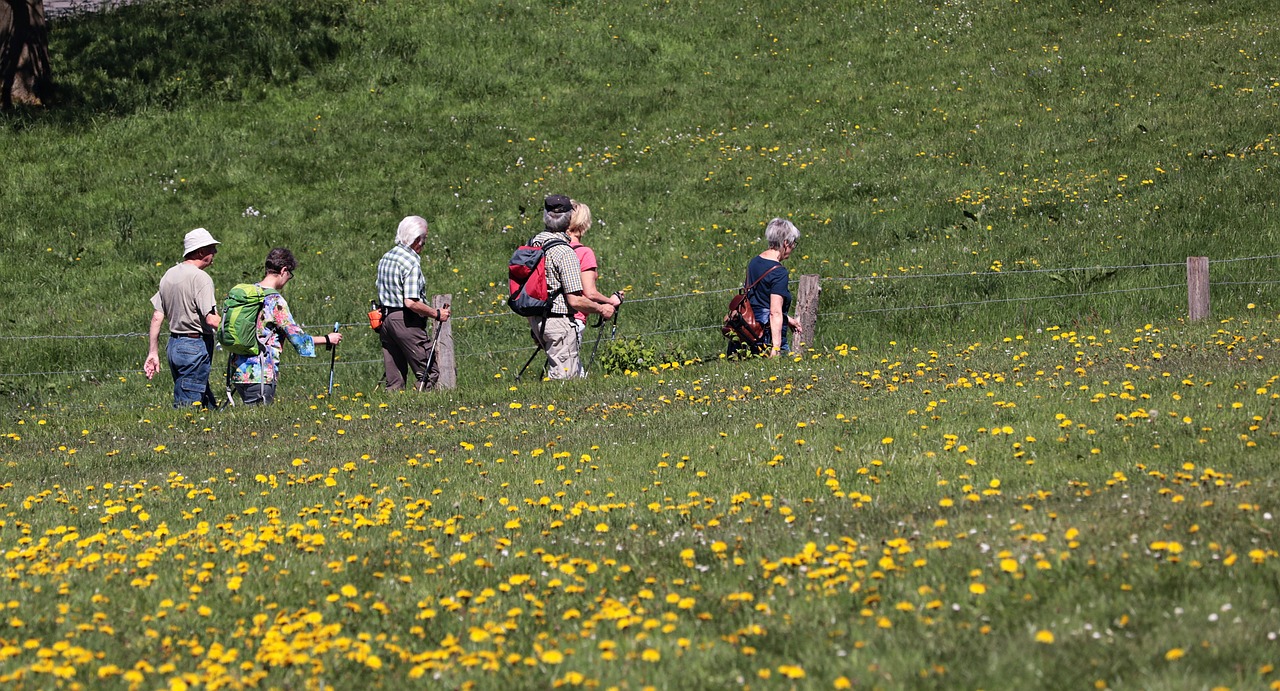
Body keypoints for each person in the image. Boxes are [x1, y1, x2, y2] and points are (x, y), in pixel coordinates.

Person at [228, 248, 342, 405]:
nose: (288, 279)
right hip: (261, 372)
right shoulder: (275, 300)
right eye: (290, 275)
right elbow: (298, 339)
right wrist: (328, 339)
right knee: (261, 418)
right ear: (283, 270)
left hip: (238, 370)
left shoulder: (248, 295)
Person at [526, 194, 615, 379]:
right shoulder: (566, 252)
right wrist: (603, 307)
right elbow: (576, 299)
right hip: (560, 320)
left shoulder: (533, 243)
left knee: (572, 375)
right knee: (565, 381)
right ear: (569, 221)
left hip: (536, 318)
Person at [144, 228, 222, 408]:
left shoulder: (169, 275)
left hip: (174, 346)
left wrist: (153, 352)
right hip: (194, 345)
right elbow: (211, 319)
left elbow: (157, 317)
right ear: (200, 251)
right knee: (187, 405)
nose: (215, 252)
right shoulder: (201, 278)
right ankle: (183, 425)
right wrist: (237, 330)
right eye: (211, 248)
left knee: (201, 397)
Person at [374, 215, 451, 391]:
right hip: (405, 321)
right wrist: (436, 314)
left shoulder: (387, 256)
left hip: (385, 320)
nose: (424, 244)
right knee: (428, 373)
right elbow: (411, 302)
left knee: (394, 379)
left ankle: (394, 405)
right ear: (417, 240)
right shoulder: (411, 262)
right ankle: (421, 404)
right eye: (425, 239)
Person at [730, 218, 804, 358]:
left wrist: (788, 320)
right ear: (785, 243)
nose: (793, 247)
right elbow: (774, 312)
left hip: (748, 331)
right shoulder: (779, 273)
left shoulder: (755, 262)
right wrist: (776, 348)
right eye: (793, 243)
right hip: (767, 336)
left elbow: (757, 302)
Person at [566, 200, 623, 374]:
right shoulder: (583, 252)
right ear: (583, 224)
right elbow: (590, 293)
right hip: (574, 319)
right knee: (571, 373)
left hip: (548, 320)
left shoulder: (554, 250)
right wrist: (611, 301)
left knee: (564, 368)